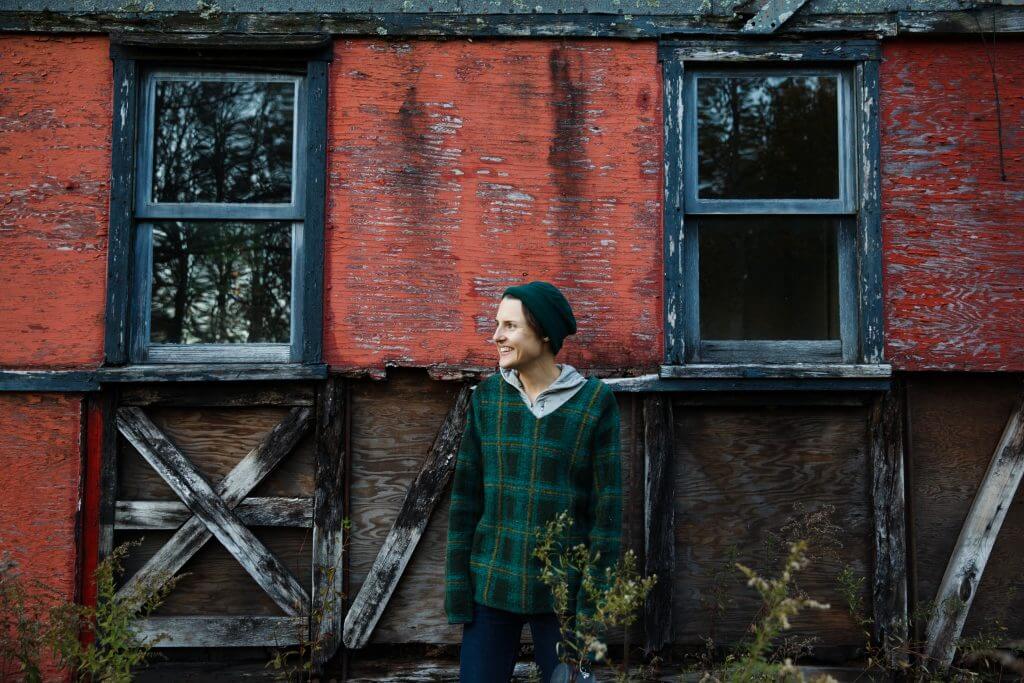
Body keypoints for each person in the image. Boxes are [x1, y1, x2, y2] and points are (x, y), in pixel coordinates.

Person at [445, 281, 623, 682]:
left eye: (509, 326)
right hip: (491, 587)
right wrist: (458, 591)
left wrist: (591, 611)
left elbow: (606, 519)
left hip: (564, 600)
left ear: (542, 333)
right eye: (497, 325)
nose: (496, 337)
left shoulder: (594, 404)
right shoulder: (487, 398)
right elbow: (465, 503)